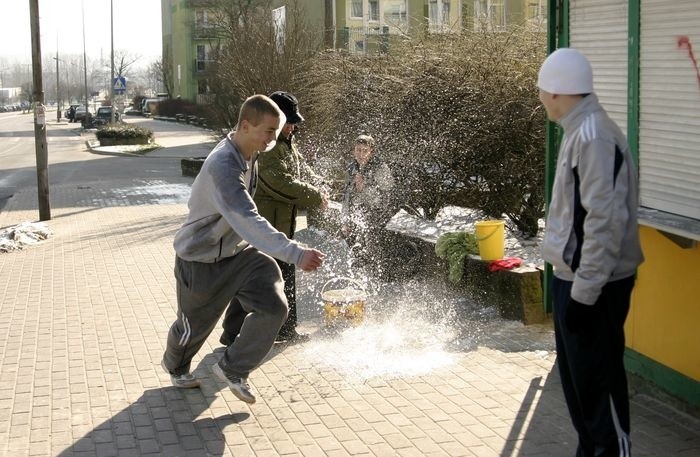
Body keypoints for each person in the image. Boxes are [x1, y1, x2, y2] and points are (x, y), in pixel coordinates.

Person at [161, 94, 325, 404]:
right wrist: (296, 253)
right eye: (268, 131)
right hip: (200, 259)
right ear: (246, 126)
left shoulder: (251, 155)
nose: (272, 139)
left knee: (274, 304)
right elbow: (245, 218)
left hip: (238, 255)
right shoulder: (223, 166)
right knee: (191, 328)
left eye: (276, 131)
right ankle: (175, 365)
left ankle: (233, 368)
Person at [538, 48, 644, 457]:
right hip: (576, 281)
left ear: (560, 92)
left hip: (594, 288)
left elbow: (604, 222)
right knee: (582, 397)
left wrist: (583, 295)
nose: (542, 99)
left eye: (544, 91)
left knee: (601, 398)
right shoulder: (578, 130)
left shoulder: (594, 136)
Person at [220, 91, 328, 343]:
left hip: (281, 226)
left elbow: (301, 169)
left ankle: (278, 330)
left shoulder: (286, 142)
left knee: (273, 278)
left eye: (293, 122)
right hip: (266, 229)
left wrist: (319, 184)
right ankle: (239, 332)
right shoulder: (267, 148)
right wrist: (315, 196)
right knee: (263, 280)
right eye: (288, 121)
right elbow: (279, 182)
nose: (292, 127)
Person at [341, 134, 396, 268]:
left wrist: (365, 186)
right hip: (360, 210)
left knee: (368, 235)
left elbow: (387, 195)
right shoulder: (352, 168)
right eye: (358, 150)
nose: (361, 154)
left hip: (379, 211)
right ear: (353, 150)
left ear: (371, 152)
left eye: (365, 150)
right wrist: (345, 221)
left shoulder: (379, 167)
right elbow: (347, 196)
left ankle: (377, 270)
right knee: (350, 234)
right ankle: (360, 266)